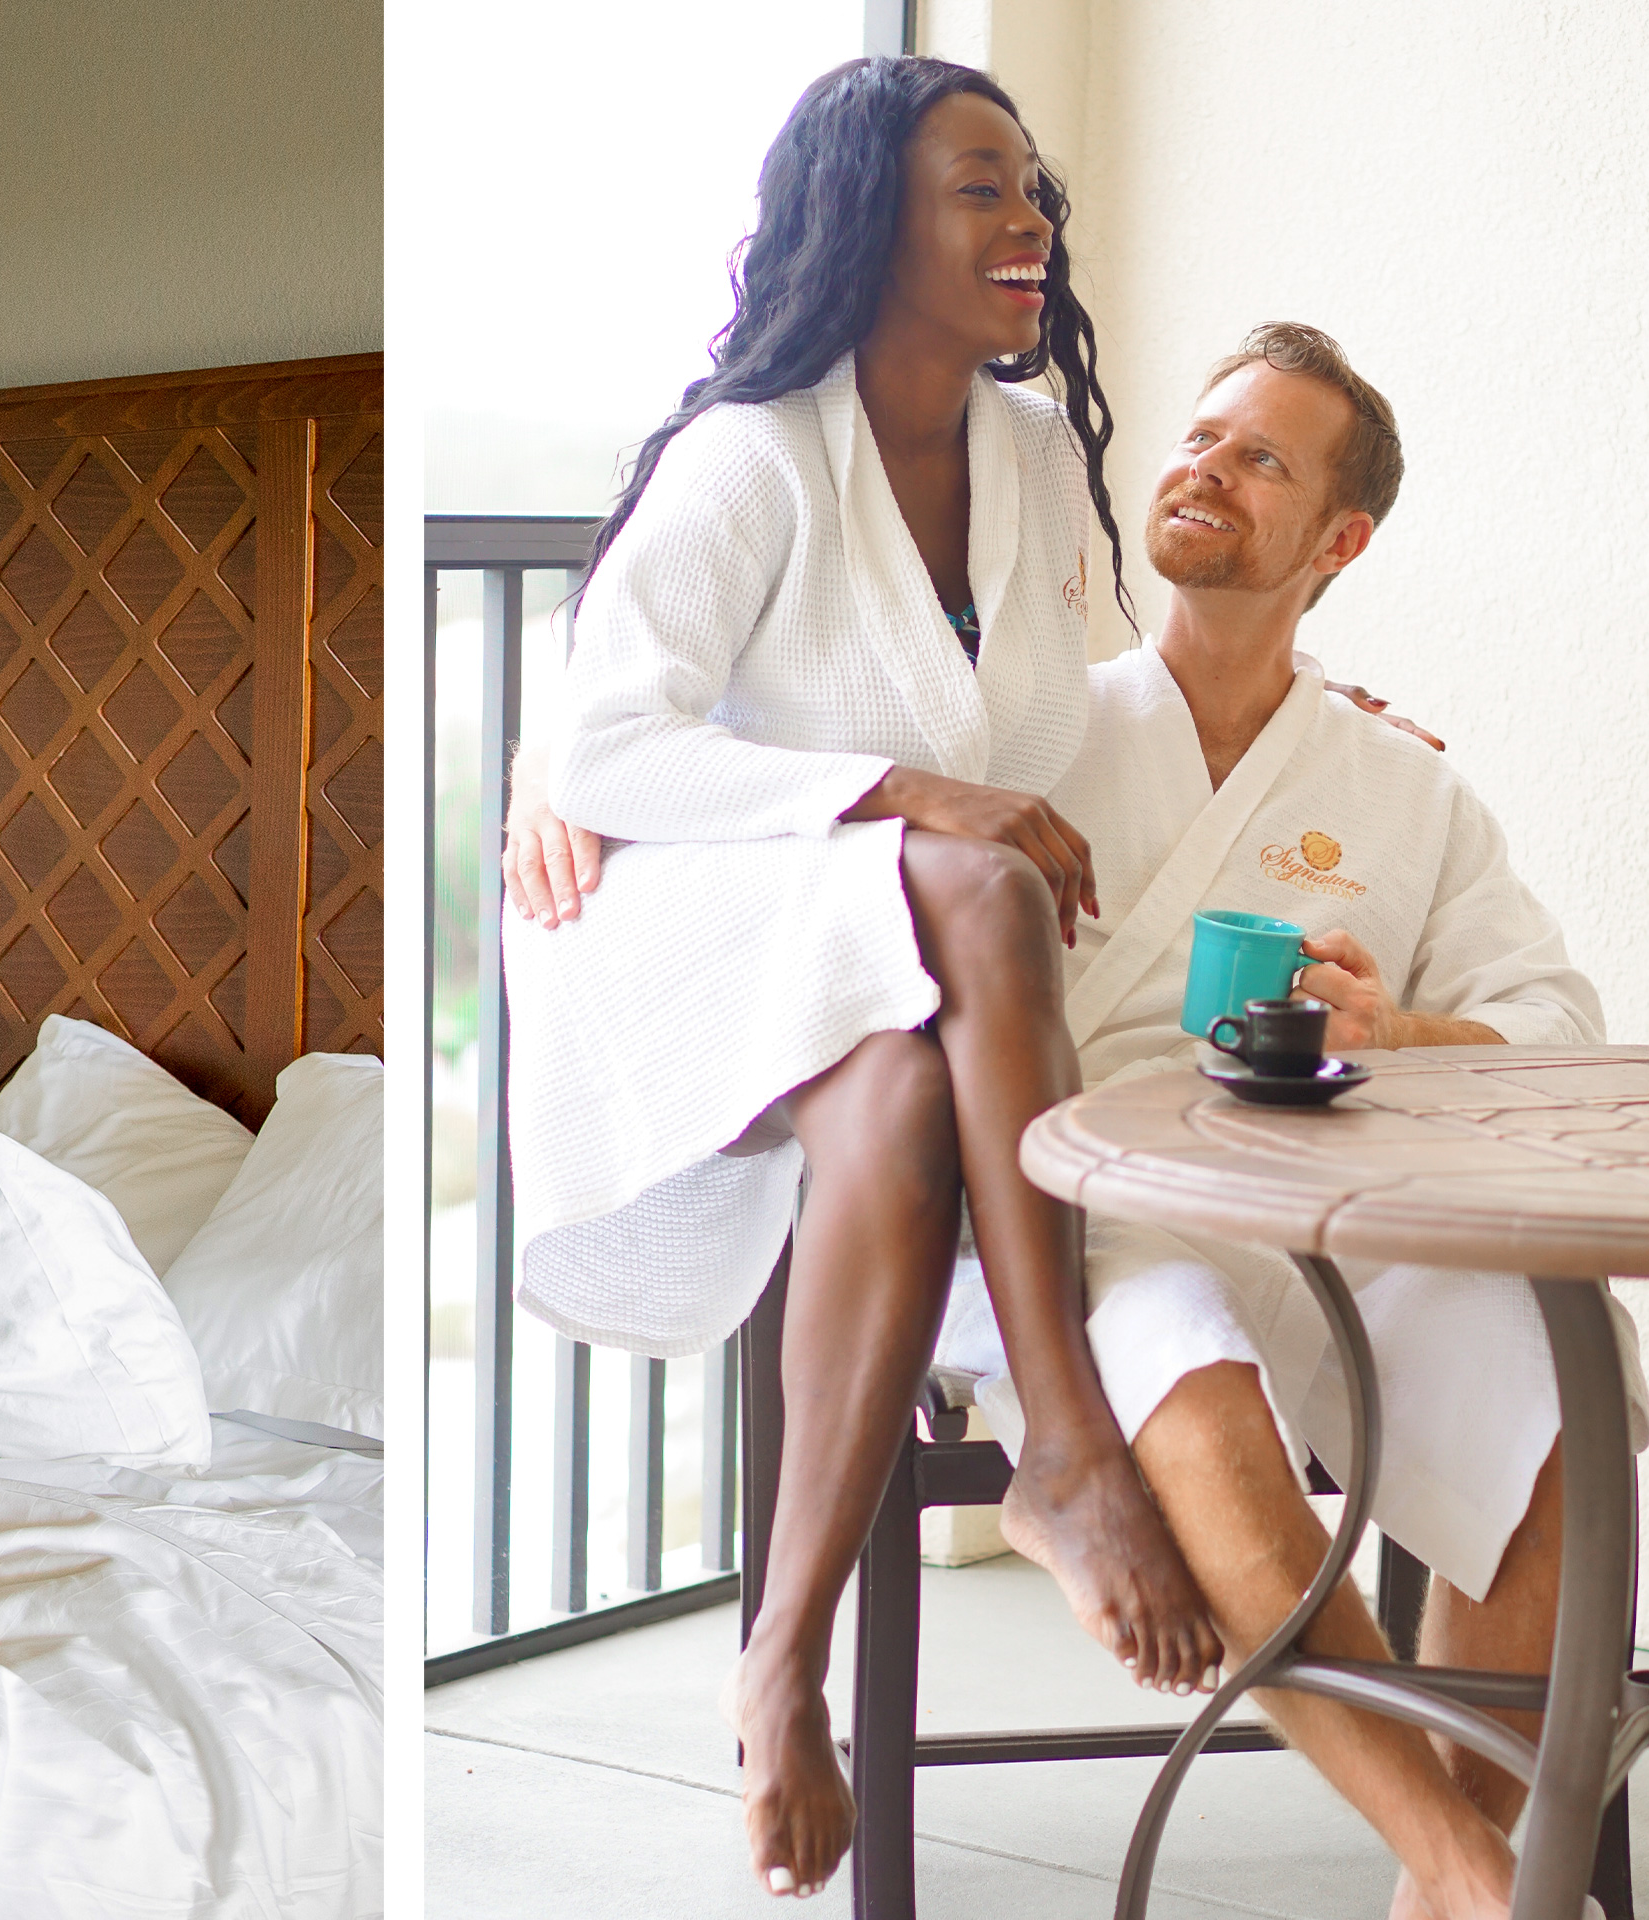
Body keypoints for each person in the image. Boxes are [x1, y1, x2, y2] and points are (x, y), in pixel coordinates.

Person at [515, 322, 1647, 1920]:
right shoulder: (1024, 725)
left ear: (1341, 541)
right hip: (1078, 1212)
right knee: (1189, 1365)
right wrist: (547, 778)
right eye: (1198, 436)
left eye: (1262, 457)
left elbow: (1555, 1027)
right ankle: (1470, 1871)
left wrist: (1402, 1027)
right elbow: (761, 777)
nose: (1202, 468)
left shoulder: (1408, 785)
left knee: (1556, 1379)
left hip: (1334, 1196)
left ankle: (1457, 1882)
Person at [497, 54, 1223, 1901]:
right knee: (978, 888)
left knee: (906, 1075)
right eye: (980, 186)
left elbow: (1067, 716)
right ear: (865, 220)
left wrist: (1305, 713)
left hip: (886, 961)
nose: (1028, 218)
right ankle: (1067, 1442)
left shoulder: (1038, 459)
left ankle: (779, 1652)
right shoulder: (754, 458)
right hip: (683, 915)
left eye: (1032, 185)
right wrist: (912, 794)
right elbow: (604, 753)